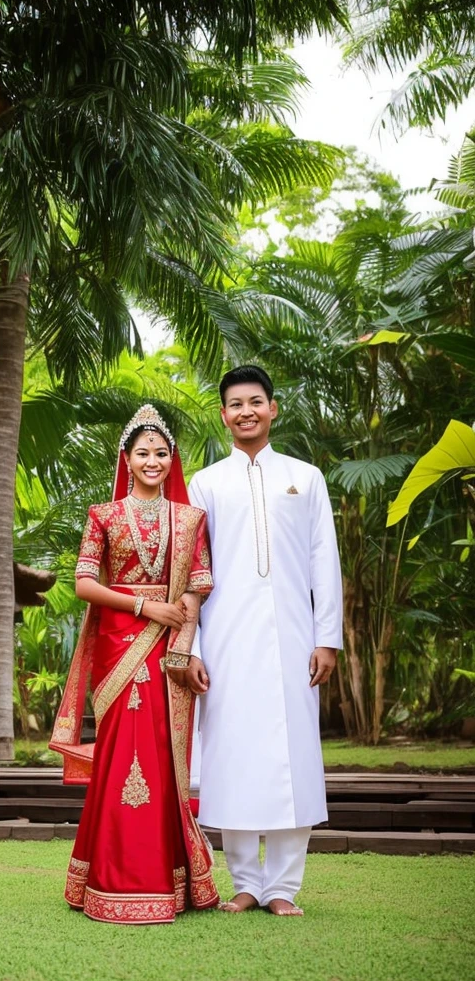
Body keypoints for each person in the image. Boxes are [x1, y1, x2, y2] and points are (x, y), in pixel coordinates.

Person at [50, 404, 219, 924]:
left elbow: (199, 582)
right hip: (119, 646)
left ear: (172, 460)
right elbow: (83, 584)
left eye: (160, 453)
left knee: (165, 755)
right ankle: (107, 880)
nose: (152, 460)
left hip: (168, 647)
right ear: (126, 459)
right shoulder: (103, 515)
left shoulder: (191, 519)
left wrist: (182, 631)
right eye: (142, 453)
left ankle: (168, 880)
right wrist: (146, 606)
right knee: (121, 753)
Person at [187, 365, 343, 917]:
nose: (246, 411)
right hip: (224, 639)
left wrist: (327, 638)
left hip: (295, 637)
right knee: (231, 755)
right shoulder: (204, 484)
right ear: (224, 414)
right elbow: (192, 573)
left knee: (291, 756)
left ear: (273, 408)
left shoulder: (307, 477)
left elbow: (324, 560)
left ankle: (283, 888)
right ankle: (245, 882)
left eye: (256, 401)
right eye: (235, 404)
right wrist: (195, 649)